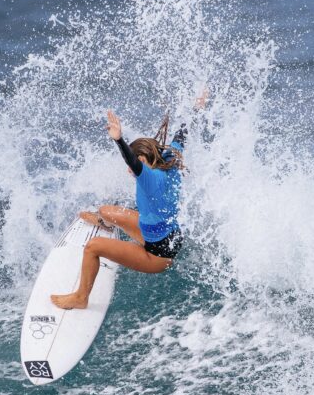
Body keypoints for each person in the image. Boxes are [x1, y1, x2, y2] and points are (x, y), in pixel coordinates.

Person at [50, 90, 207, 310]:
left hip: (158, 254)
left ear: (144, 160)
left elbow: (133, 162)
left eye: (137, 163)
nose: (129, 170)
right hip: (166, 233)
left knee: (92, 247)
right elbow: (182, 134)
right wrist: (196, 108)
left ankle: (80, 297)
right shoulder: (168, 158)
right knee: (106, 211)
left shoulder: (150, 179)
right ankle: (103, 221)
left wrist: (119, 140)